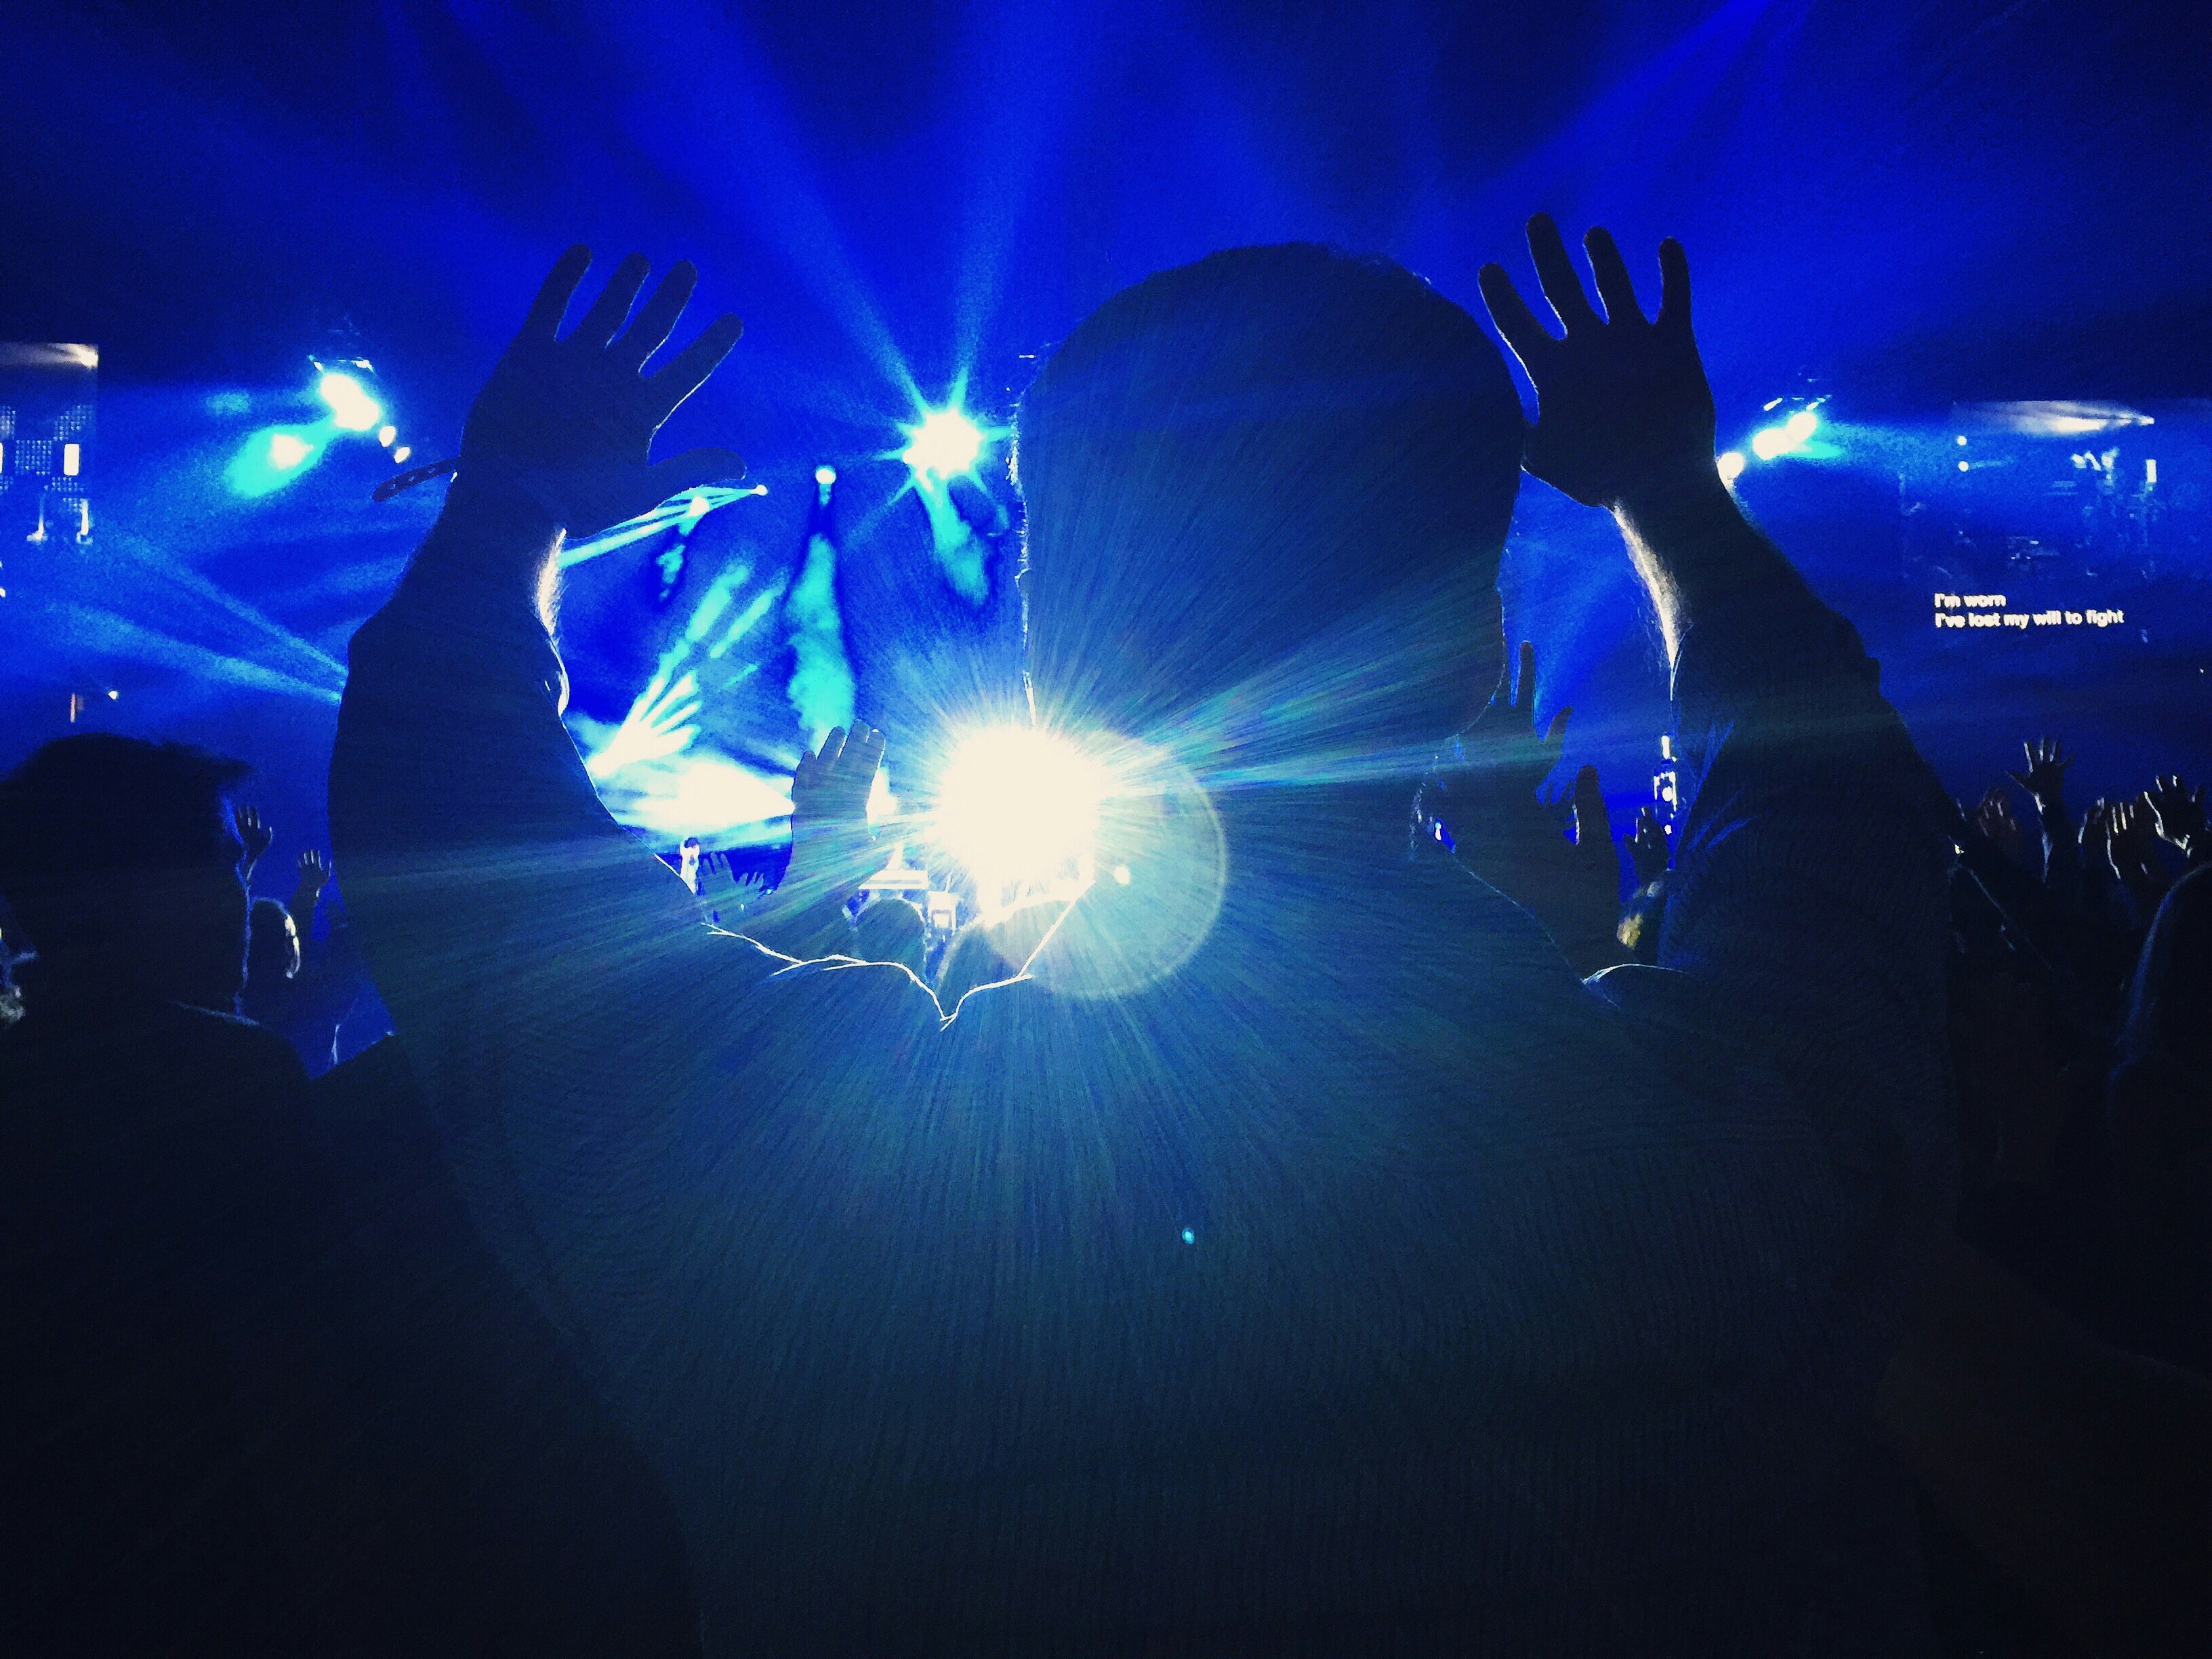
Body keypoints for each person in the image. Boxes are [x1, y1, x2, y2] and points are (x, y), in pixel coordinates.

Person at [330, 226, 1953, 1650]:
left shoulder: (796, 1188)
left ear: (1051, 656)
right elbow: (1832, 824)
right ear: (1476, 651)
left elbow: (446, 812)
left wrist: (516, 498)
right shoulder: (1731, 1167)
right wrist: (1674, 490)